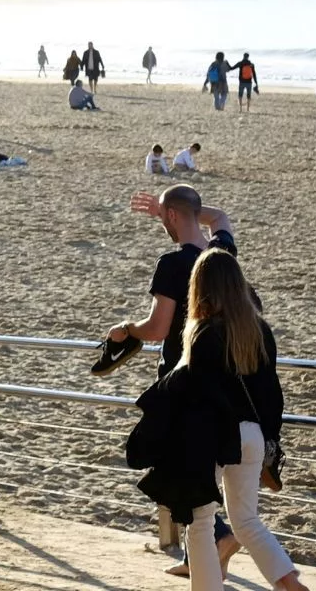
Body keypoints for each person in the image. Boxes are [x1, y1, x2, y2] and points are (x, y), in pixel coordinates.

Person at [106, 186, 242, 578]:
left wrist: (123, 330)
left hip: (182, 376)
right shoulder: (221, 255)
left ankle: (216, 537)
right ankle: (198, 551)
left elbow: (157, 327)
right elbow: (219, 217)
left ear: (173, 218)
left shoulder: (171, 263)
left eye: (167, 217)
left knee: (178, 466)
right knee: (199, 464)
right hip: (222, 374)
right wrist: (174, 210)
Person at [171, 250, 306, 591]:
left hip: (215, 435)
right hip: (253, 435)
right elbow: (273, 395)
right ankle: (289, 583)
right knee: (246, 519)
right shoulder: (259, 331)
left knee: (199, 520)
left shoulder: (203, 334)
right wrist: (269, 439)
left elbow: (198, 395)